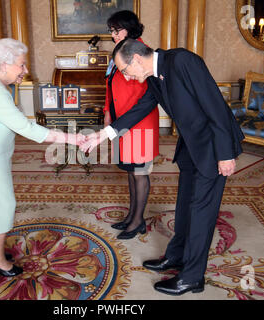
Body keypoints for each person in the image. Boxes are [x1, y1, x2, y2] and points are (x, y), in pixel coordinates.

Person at [80, 38, 244, 295]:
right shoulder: (154, 76)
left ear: (135, 59)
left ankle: (192, 277)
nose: (128, 77)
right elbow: (141, 108)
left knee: (202, 212)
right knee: (184, 205)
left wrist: (225, 154)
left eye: (124, 70)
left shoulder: (183, 61)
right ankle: (175, 257)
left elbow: (216, 106)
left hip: (213, 146)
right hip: (191, 146)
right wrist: (103, 134)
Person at [0, 38, 85, 277]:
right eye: (21, 65)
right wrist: (73, 139)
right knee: (0, 204)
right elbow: (27, 129)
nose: (25, 71)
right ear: (4, 64)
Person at [104, 10, 159, 240]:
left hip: (139, 122)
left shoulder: (141, 52)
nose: (114, 34)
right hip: (120, 121)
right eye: (112, 31)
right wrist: (107, 112)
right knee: (129, 170)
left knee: (139, 171)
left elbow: (147, 94)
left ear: (130, 27)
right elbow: (109, 85)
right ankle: (131, 216)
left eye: (118, 30)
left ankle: (138, 221)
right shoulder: (117, 54)